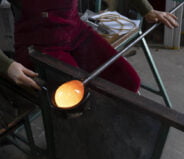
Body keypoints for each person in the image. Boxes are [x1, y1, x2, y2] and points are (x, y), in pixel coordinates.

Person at [1, 0, 179, 93]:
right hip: (38, 45)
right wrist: (6, 65)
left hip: (75, 32)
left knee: (129, 82)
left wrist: (146, 10)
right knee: (78, 96)